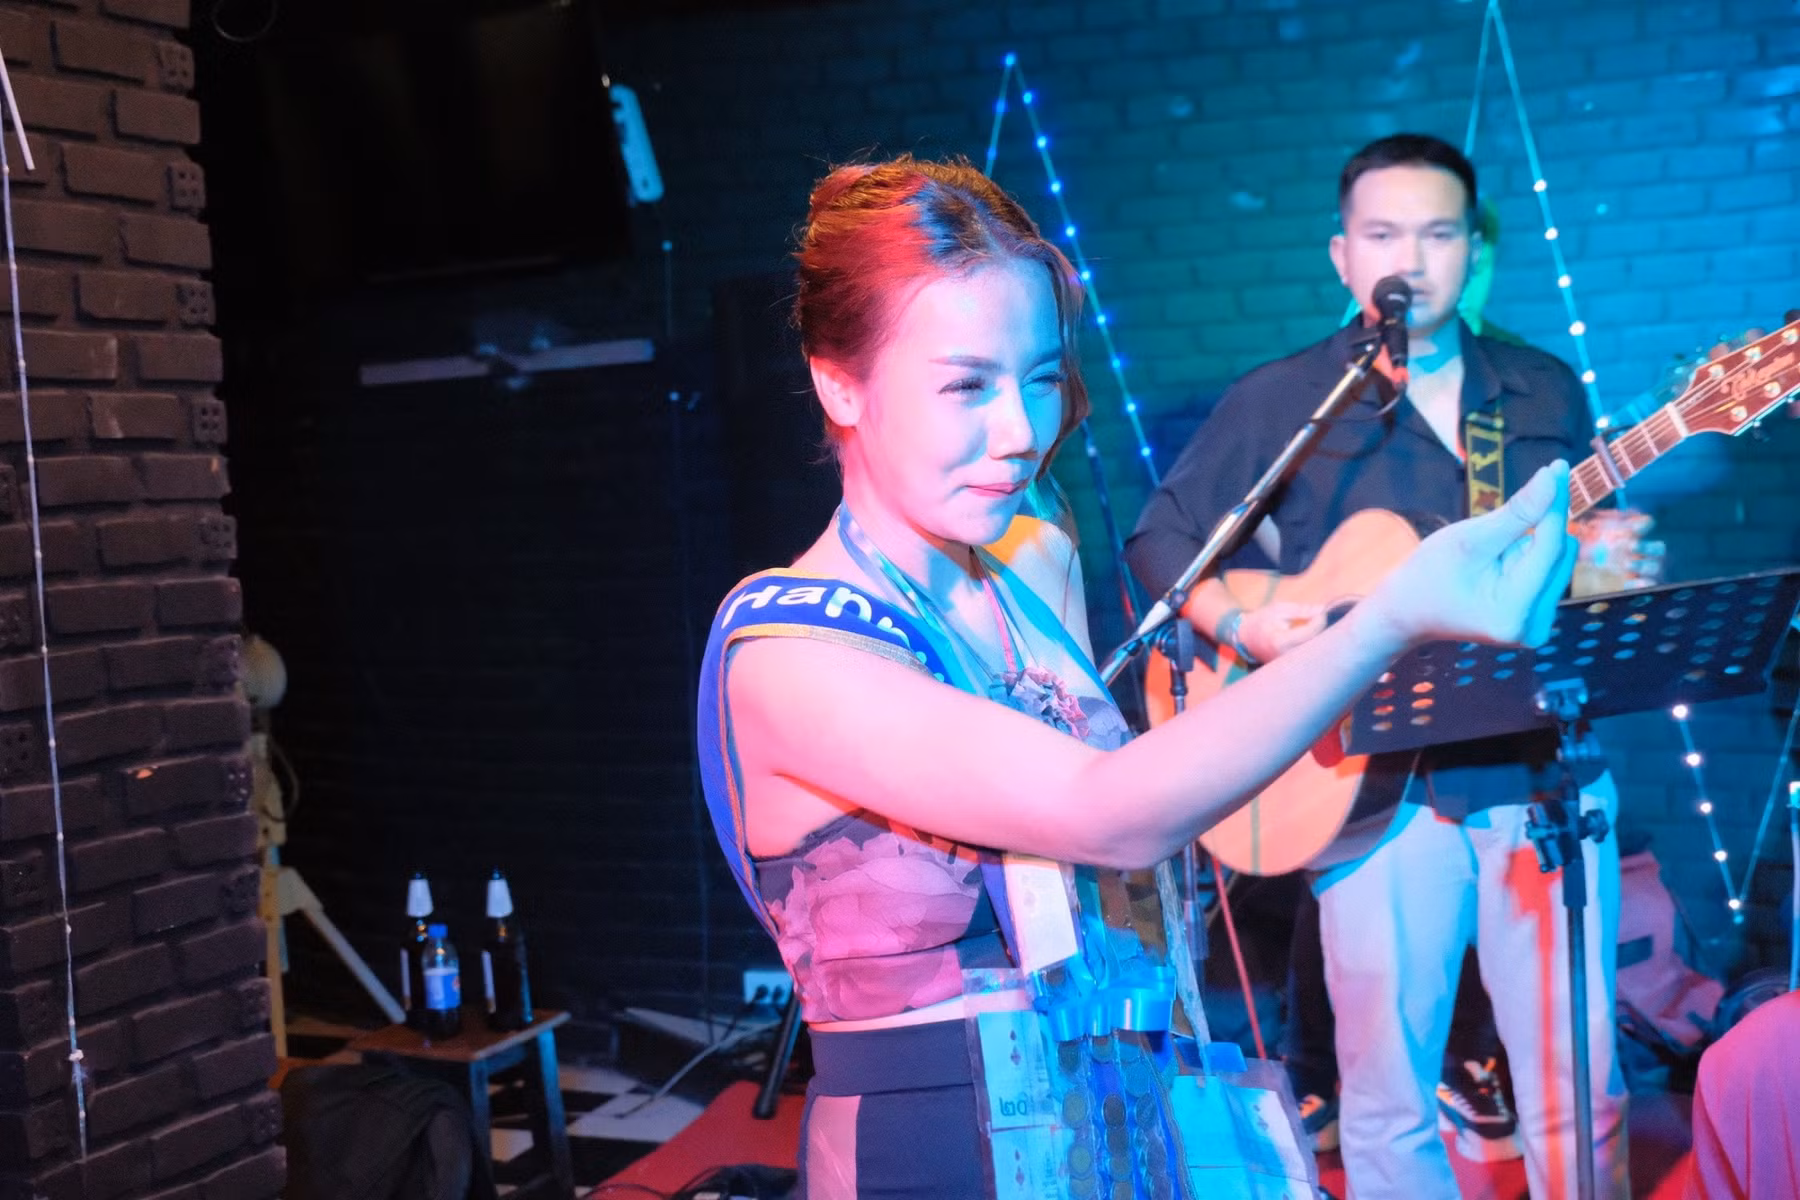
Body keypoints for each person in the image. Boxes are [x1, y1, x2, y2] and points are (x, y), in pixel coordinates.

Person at [696, 154, 1579, 1198]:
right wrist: (1385, 622)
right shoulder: (786, 650)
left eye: (1039, 379)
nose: (1022, 433)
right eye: (966, 385)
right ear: (838, 382)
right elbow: (1106, 812)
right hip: (933, 1158)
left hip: (1119, 1126)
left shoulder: (1034, 561)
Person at [1127, 133, 1637, 1199]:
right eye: (1384, 234)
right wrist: (1246, 628)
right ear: (1343, 255)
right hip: (1373, 788)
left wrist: (1606, 572)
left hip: (1536, 773)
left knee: (1577, 1089)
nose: (1411, 258)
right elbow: (1162, 540)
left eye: (1438, 234)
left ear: (1476, 251)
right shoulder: (1286, 401)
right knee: (1384, 1096)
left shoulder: (1543, 391)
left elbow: (1563, 571)